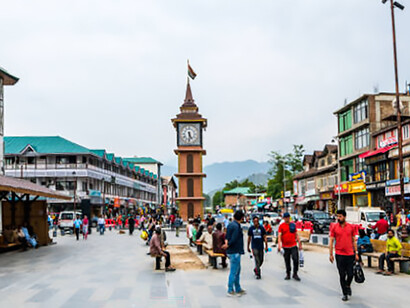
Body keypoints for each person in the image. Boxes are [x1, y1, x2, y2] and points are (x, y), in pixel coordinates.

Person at [329, 209, 358, 302]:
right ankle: (345, 293)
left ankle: (348, 285)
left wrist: (356, 253)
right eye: (337, 216)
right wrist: (330, 254)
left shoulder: (351, 227)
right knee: (342, 275)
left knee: (350, 274)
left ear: (344, 217)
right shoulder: (334, 227)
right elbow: (331, 240)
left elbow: (354, 240)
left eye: (340, 216)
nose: (338, 218)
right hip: (339, 254)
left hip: (350, 254)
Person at [222, 210, 246, 297]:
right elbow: (234, 238)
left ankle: (238, 288)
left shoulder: (230, 225)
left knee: (237, 270)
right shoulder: (236, 226)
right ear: (241, 217)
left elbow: (227, 236)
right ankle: (230, 289)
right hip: (235, 251)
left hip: (231, 251)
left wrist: (226, 244)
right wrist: (228, 245)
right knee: (234, 271)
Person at [278, 212, 302, 281]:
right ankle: (288, 274)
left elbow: (296, 234)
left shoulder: (292, 225)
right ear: (284, 218)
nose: (287, 219)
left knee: (295, 259)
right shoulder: (281, 226)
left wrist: (299, 243)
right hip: (285, 247)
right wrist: (279, 245)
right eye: (285, 218)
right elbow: (279, 236)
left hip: (293, 245)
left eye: (288, 217)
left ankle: (295, 273)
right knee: (287, 261)